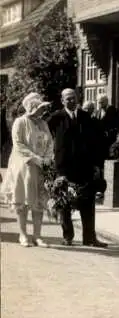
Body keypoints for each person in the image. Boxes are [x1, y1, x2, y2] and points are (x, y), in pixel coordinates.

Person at [47, 88, 107, 247]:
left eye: (73, 98)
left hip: (84, 167)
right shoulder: (56, 118)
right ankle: (68, 236)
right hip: (64, 167)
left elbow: (95, 142)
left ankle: (90, 237)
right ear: (62, 101)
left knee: (88, 202)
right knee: (65, 203)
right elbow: (44, 136)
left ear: (78, 98)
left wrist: (96, 165)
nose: (71, 101)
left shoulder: (85, 117)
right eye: (68, 99)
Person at [1, 93, 53, 247]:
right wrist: (37, 159)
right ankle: (23, 234)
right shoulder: (20, 122)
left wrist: (48, 159)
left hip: (41, 168)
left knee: (39, 201)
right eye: (40, 108)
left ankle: (37, 235)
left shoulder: (43, 124)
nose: (43, 111)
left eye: (43, 108)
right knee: (22, 200)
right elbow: (18, 145)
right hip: (24, 166)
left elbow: (50, 141)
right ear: (32, 107)